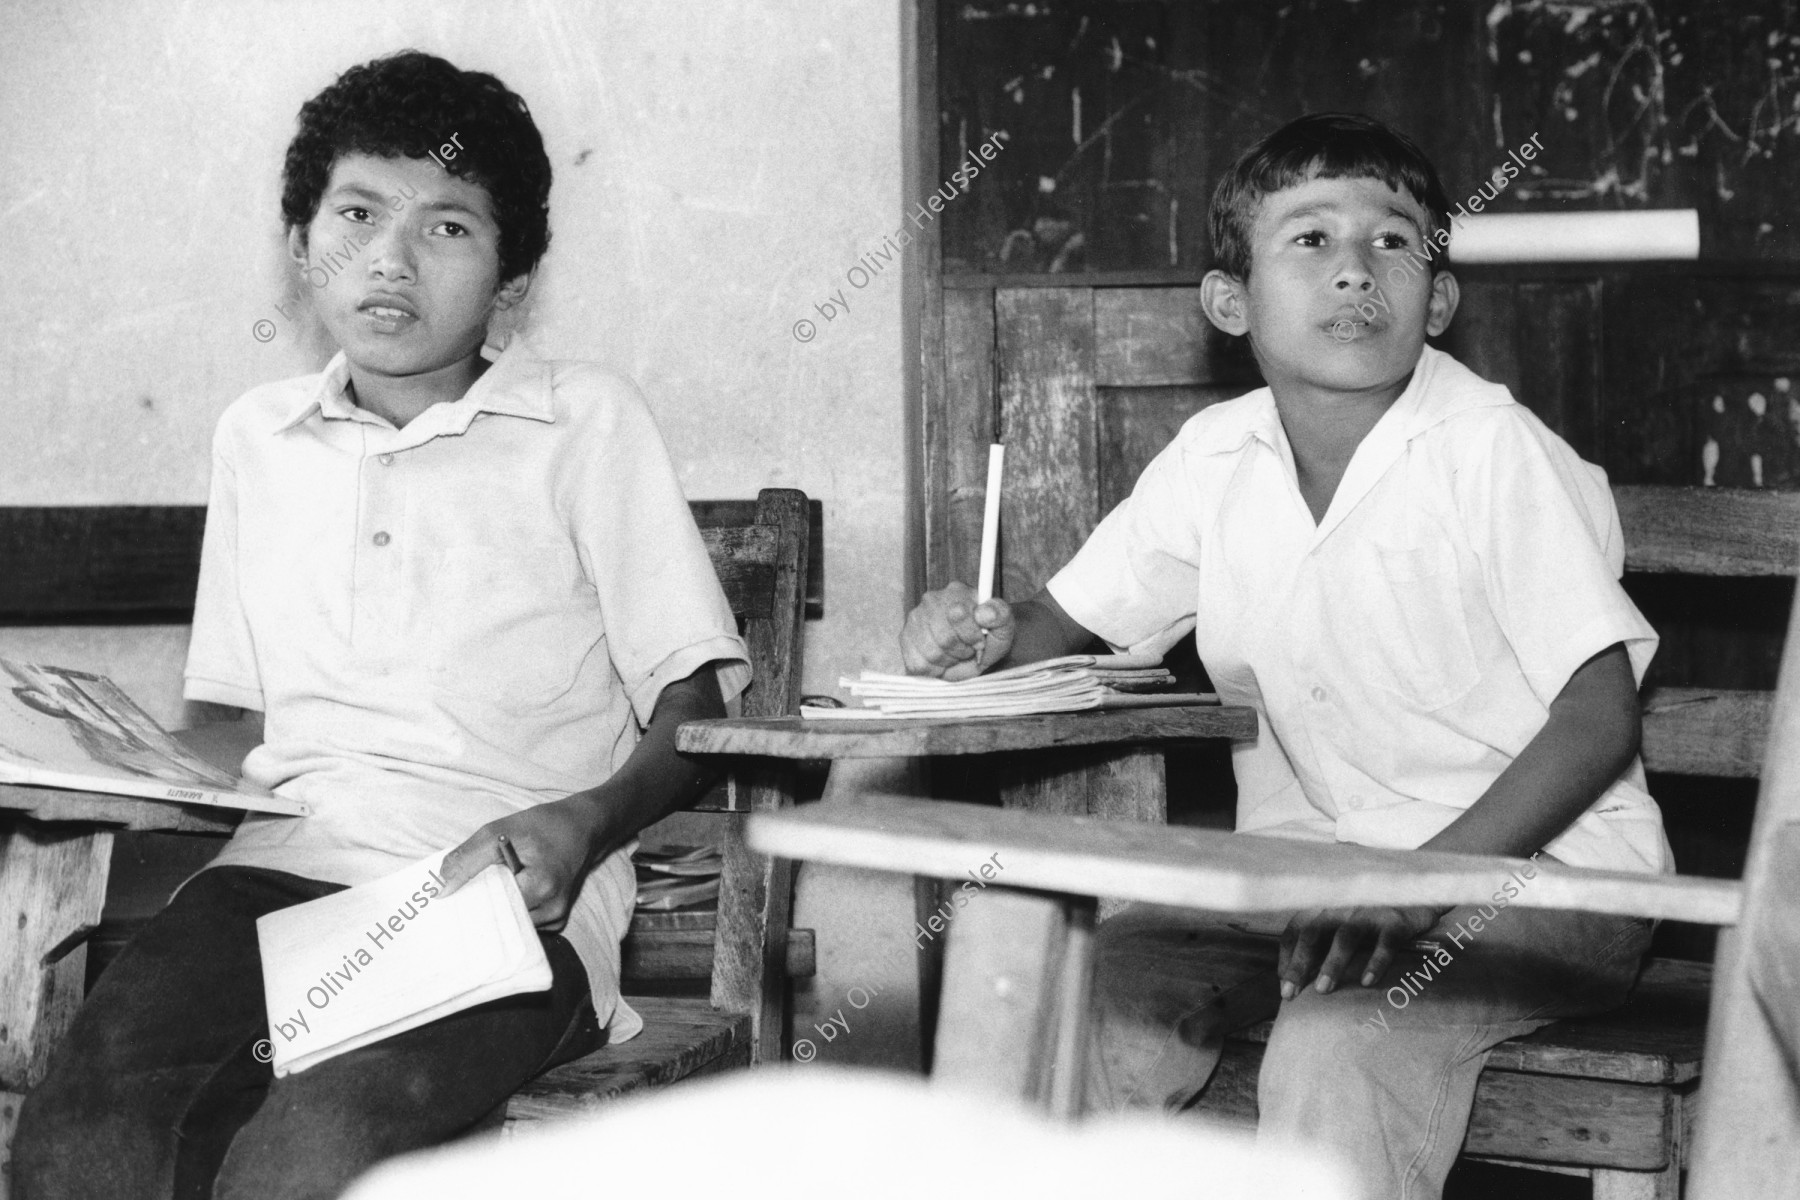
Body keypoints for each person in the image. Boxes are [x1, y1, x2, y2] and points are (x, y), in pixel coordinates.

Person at [15, 50, 748, 1200]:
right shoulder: (257, 438)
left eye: (449, 226)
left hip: (490, 902)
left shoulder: (584, 424)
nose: (390, 259)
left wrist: (583, 823)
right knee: (79, 1145)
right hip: (269, 884)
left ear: (513, 276)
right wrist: (75, 755)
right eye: (356, 216)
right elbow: (235, 733)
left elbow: (696, 708)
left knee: (305, 1156)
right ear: (304, 248)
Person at [899, 113, 1669, 1200]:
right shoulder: (1216, 455)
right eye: (1310, 240)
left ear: (1438, 301)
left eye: (1394, 242)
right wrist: (978, 635)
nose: (1356, 270)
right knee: (1078, 996)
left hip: (1537, 881)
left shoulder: (1488, 449)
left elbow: (1601, 718)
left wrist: (1413, 891)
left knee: (1335, 1045)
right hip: (1311, 878)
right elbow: (1059, 624)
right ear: (1230, 302)